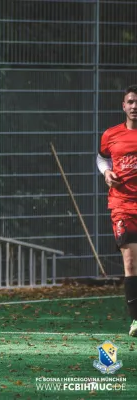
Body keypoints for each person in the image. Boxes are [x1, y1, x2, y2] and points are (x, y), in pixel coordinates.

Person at [97, 84, 137, 337]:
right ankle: (136, 321)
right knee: (130, 262)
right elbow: (102, 157)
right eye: (131, 102)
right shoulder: (111, 134)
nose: (135, 106)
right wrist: (106, 172)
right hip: (122, 206)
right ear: (124, 106)